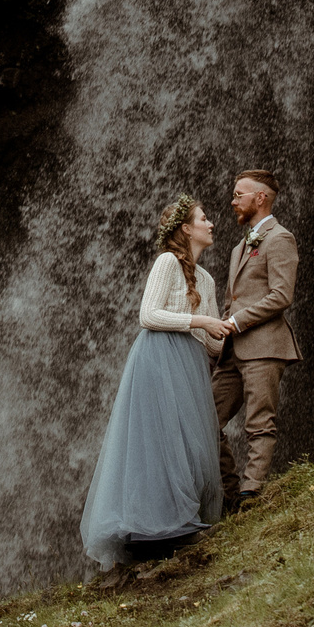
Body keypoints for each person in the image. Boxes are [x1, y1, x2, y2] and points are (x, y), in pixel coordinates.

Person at [80, 194, 237, 565]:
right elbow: (148, 315)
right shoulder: (167, 261)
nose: (212, 223)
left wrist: (233, 326)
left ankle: (181, 519)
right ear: (186, 229)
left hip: (191, 363)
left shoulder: (207, 280)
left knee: (189, 444)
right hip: (158, 357)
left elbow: (212, 343)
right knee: (160, 439)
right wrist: (202, 321)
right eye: (204, 218)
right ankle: (150, 528)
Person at [213, 169, 299, 509]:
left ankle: (252, 493)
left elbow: (281, 296)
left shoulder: (281, 239)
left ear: (259, 198)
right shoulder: (239, 247)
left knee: (259, 421)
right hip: (233, 349)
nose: (233, 201)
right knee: (205, 418)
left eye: (239, 195)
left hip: (265, 346)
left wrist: (235, 322)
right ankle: (231, 491)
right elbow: (232, 300)